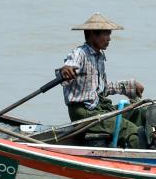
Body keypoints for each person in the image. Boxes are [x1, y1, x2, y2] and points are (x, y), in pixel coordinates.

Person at [58, 12, 146, 147]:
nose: (109, 39)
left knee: (137, 112)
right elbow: (69, 66)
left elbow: (103, 89)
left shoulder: (99, 57)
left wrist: (130, 87)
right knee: (129, 129)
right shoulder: (79, 53)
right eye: (106, 34)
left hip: (98, 108)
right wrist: (65, 70)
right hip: (84, 112)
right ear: (93, 33)